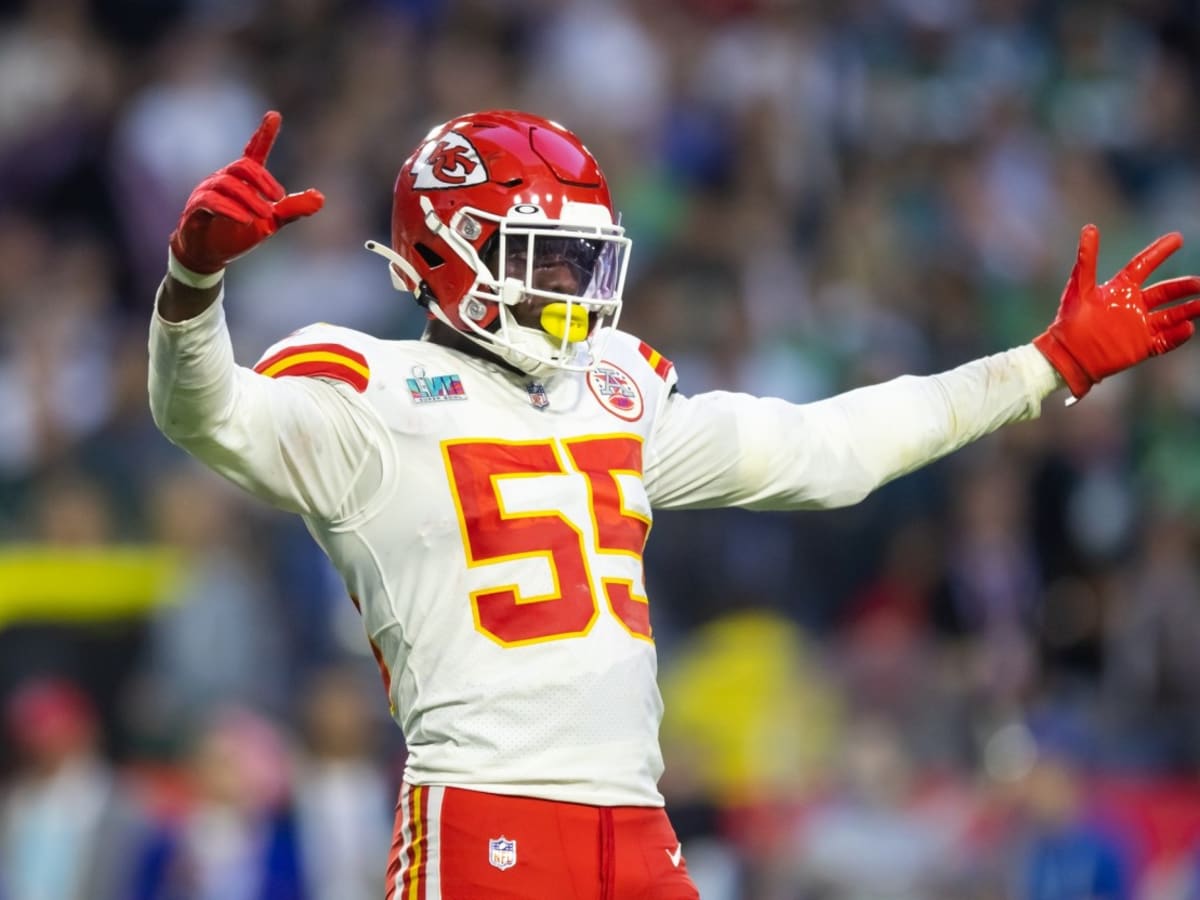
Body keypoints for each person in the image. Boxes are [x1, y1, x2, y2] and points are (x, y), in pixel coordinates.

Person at [147, 109, 1200, 899]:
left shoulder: (613, 392)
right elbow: (207, 416)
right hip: (486, 820)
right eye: (541, 258)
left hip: (638, 828)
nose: (569, 284)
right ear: (443, 250)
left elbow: (824, 451)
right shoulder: (365, 399)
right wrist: (193, 288)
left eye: (581, 258)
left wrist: (1039, 365)